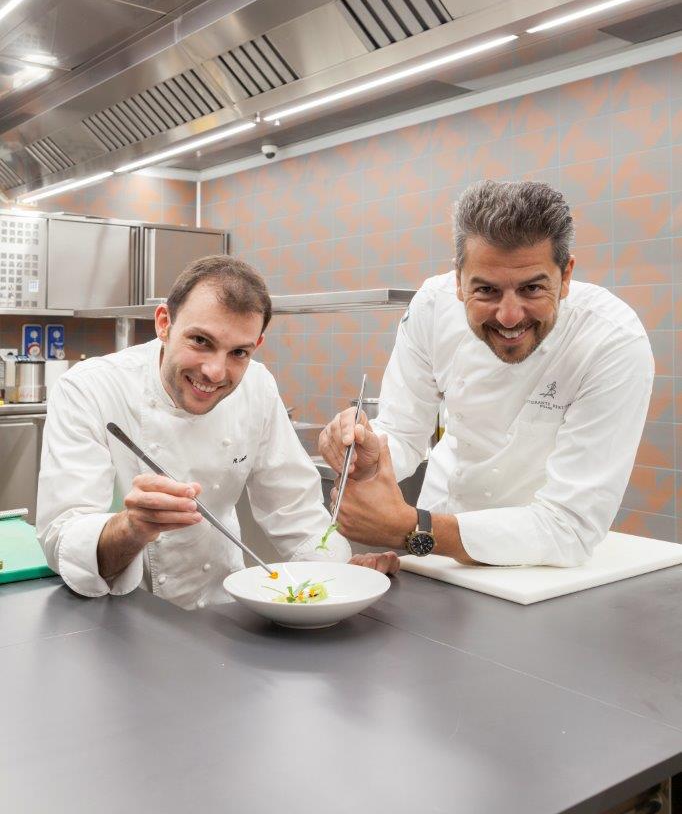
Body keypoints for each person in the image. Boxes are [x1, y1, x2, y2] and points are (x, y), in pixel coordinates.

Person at [319, 180, 654, 568]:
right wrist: (368, 453)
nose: (509, 316)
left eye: (531, 288)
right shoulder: (432, 306)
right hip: (438, 548)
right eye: (487, 291)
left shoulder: (610, 341)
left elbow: (569, 526)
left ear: (565, 276)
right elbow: (403, 430)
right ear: (459, 279)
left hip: (544, 563)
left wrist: (410, 528)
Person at [37, 256, 368, 611]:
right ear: (164, 323)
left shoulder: (257, 385)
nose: (214, 371)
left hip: (220, 610)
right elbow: (63, 538)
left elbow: (294, 509)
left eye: (239, 352)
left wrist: (343, 577)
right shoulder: (89, 388)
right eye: (200, 341)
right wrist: (132, 527)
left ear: (256, 344)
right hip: (118, 617)